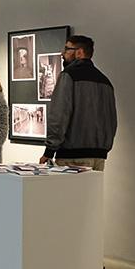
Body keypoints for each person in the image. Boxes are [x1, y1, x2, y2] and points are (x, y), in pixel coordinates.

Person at [39, 35, 117, 171]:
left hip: (72, 157)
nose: (62, 53)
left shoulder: (68, 76)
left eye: (67, 49)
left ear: (79, 52)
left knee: (68, 187)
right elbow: (112, 121)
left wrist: (49, 151)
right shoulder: (105, 81)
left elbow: (59, 115)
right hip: (98, 157)